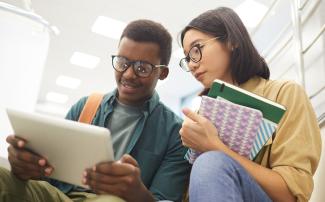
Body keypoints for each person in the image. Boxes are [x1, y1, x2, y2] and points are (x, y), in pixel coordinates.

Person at [0, 19, 191, 202]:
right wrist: (26, 166)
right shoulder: (85, 107)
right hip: (58, 194)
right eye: (122, 62)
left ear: (163, 73)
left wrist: (137, 194)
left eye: (142, 68)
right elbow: (48, 176)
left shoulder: (176, 132)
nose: (128, 74)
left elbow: (164, 199)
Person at [178, 7, 321, 202]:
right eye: (187, 58)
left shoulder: (285, 93)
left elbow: (290, 194)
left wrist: (214, 147)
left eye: (197, 49)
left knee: (211, 163)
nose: (192, 64)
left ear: (231, 41)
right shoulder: (201, 116)